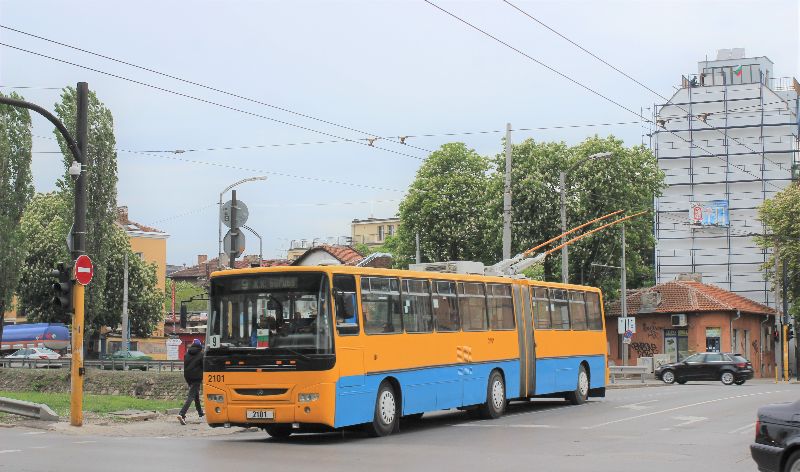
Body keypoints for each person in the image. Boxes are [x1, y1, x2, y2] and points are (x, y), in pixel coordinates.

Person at [177, 338, 204, 425]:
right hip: (196, 378)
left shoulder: (186, 354)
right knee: (191, 396)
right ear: (200, 346)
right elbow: (203, 367)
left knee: (195, 395)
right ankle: (182, 414)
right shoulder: (201, 355)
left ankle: (200, 413)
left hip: (188, 377)